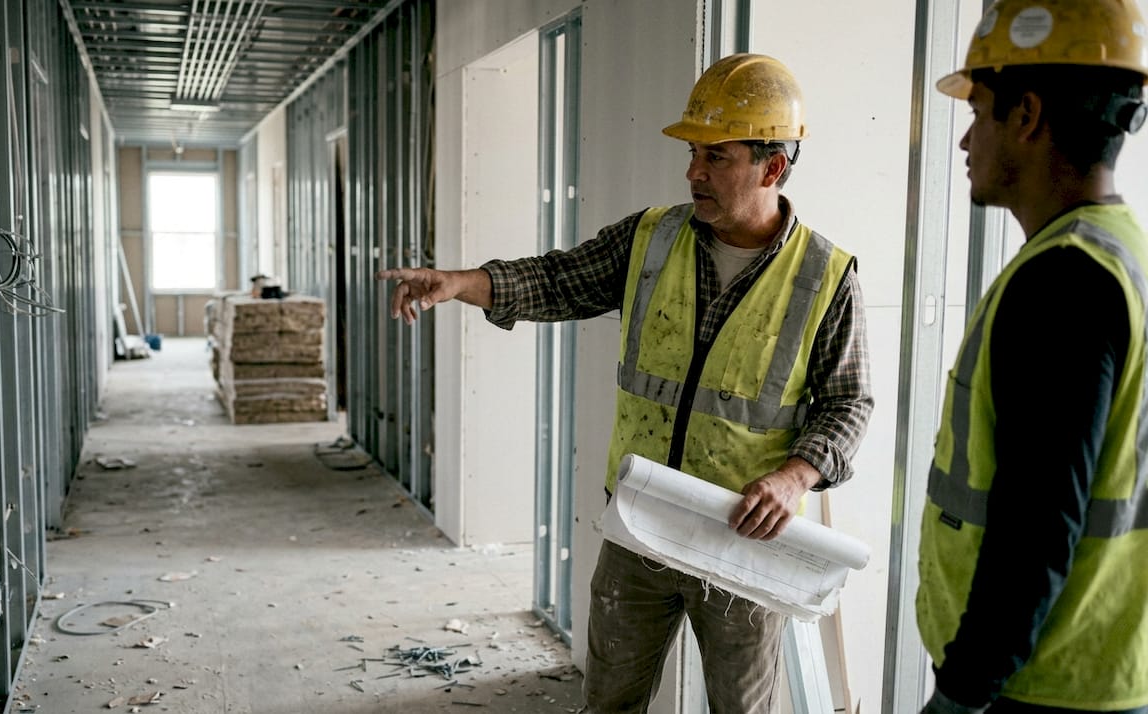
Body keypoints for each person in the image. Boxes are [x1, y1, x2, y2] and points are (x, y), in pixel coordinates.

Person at [378, 53, 873, 713]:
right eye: (694, 153)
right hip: (641, 526)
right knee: (609, 701)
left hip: (743, 542)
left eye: (716, 157)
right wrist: (461, 284)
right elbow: (558, 279)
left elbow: (849, 404)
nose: (693, 172)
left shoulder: (825, 275)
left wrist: (794, 478)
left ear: (772, 167)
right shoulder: (652, 238)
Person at [917, 1, 1148, 712]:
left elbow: (1036, 535)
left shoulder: (1065, 282)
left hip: (1040, 687)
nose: (963, 142)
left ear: (1026, 115)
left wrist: (960, 695)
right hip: (1102, 670)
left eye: (977, 109)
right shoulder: (1122, 255)